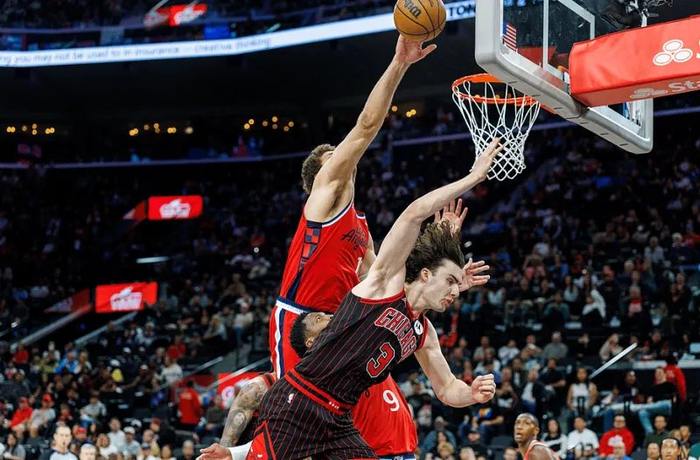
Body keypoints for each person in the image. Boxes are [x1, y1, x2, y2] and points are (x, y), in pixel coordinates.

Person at [242, 138, 502, 458]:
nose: (454, 292)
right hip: (309, 391)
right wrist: (473, 178)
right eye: (449, 282)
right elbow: (411, 218)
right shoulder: (384, 285)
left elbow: (448, 388)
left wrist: (472, 394)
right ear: (425, 275)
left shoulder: (423, 331)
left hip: (346, 414)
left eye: (455, 285)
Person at [266, 35, 439, 460]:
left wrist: (440, 249)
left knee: (343, 426)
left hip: (339, 327)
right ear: (320, 174)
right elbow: (364, 127)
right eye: (335, 155)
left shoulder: (360, 225)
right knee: (294, 426)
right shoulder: (324, 196)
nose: (345, 157)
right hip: (301, 320)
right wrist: (399, 64)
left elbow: (384, 280)